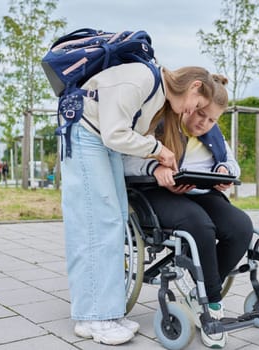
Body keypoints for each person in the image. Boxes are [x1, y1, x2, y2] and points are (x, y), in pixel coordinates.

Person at [61, 62, 221, 346]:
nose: (192, 111)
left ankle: (104, 312)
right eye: (198, 104)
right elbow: (115, 133)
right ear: (195, 86)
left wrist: (155, 153)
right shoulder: (142, 80)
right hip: (86, 135)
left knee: (114, 221)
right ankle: (93, 316)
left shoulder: (157, 92)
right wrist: (159, 151)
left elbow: (122, 136)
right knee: (96, 225)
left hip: (99, 139)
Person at [123, 75, 253, 348]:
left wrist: (225, 172)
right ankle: (212, 302)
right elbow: (126, 162)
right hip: (157, 193)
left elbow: (232, 163)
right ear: (192, 103)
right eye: (201, 114)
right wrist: (156, 169)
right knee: (199, 225)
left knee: (241, 226)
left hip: (203, 192)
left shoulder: (213, 134)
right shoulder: (158, 120)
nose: (203, 123)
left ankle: (198, 287)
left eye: (212, 120)